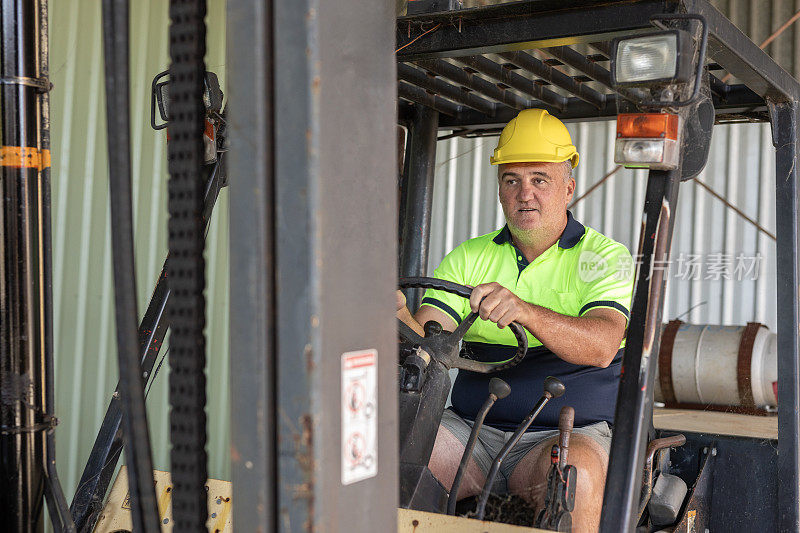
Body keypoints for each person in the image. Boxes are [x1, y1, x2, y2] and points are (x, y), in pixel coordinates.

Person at [396, 109, 634, 532]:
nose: (526, 193)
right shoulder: (470, 256)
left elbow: (601, 345)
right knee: (392, 459)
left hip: (565, 431)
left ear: (568, 189)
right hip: (471, 426)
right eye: (512, 180)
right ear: (500, 189)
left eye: (539, 179)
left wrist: (524, 310)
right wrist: (395, 314)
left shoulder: (602, 257)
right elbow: (426, 343)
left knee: (574, 477)